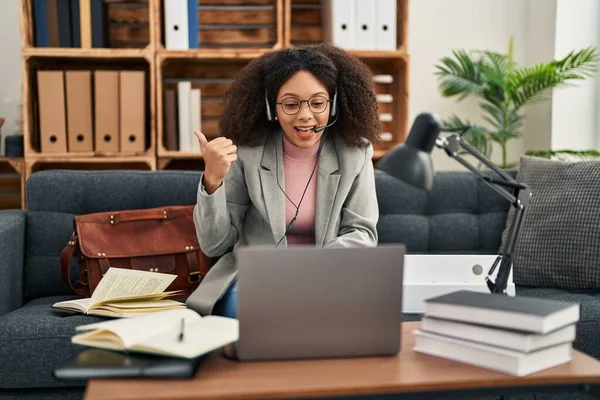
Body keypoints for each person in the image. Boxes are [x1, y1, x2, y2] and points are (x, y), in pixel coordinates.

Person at [186, 43, 381, 319]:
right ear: (271, 107)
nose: (305, 115)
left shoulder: (355, 153)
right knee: (262, 313)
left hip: (329, 277)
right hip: (257, 279)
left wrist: (309, 270)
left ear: (334, 104)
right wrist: (212, 180)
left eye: (317, 103)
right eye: (291, 104)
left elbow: (362, 234)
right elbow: (214, 244)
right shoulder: (248, 152)